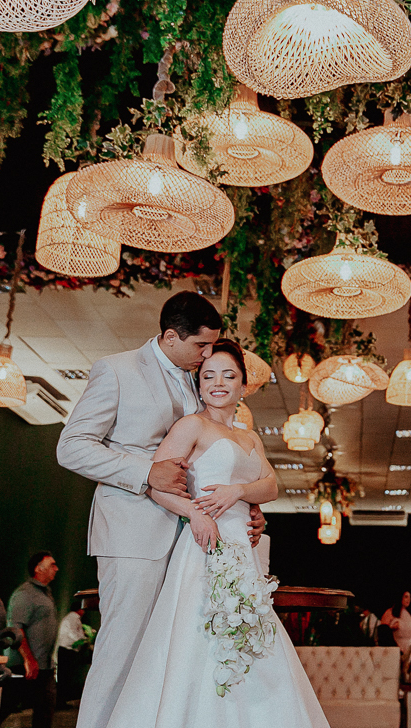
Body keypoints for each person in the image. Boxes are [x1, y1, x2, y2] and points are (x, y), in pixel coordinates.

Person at [57, 292, 267, 728]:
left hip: (192, 541)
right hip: (134, 531)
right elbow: (72, 447)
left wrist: (244, 504)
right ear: (171, 336)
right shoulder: (116, 370)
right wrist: (145, 472)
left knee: (169, 658)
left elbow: (206, 454)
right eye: (201, 347)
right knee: (123, 651)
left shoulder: (195, 379)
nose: (208, 357)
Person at [105, 339, 328, 728]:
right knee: (198, 638)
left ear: (243, 384)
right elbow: (158, 483)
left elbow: (271, 486)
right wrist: (195, 514)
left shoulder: (250, 438)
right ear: (199, 383)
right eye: (208, 375)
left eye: (228, 375)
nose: (218, 383)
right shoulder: (192, 425)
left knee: (250, 631)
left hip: (244, 549)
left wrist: (240, 493)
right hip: (205, 545)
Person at [4, 552, 61, 728]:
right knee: (5, 707)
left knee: (45, 713)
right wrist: (28, 659)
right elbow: (16, 628)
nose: (56, 569)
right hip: (24, 666)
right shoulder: (25, 593)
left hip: (44, 666)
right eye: (52, 565)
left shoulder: (45, 593)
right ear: (38, 568)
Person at [381, 591, 411, 658]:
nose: (408, 599)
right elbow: (383, 631)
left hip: (410, 649)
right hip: (397, 648)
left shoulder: (408, 614)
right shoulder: (390, 612)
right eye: (406, 597)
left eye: (410, 597)